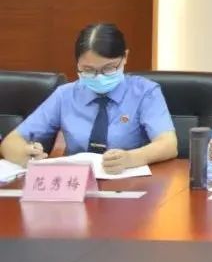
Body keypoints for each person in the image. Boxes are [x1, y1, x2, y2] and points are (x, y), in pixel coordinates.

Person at [0, 23, 178, 173]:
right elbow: (11, 141)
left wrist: (131, 158)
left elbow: (168, 144)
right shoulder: (65, 95)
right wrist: (24, 154)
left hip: (129, 185)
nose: (99, 77)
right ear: (78, 64)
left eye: (109, 68)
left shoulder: (145, 92)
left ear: (125, 57)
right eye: (88, 70)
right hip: (76, 186)